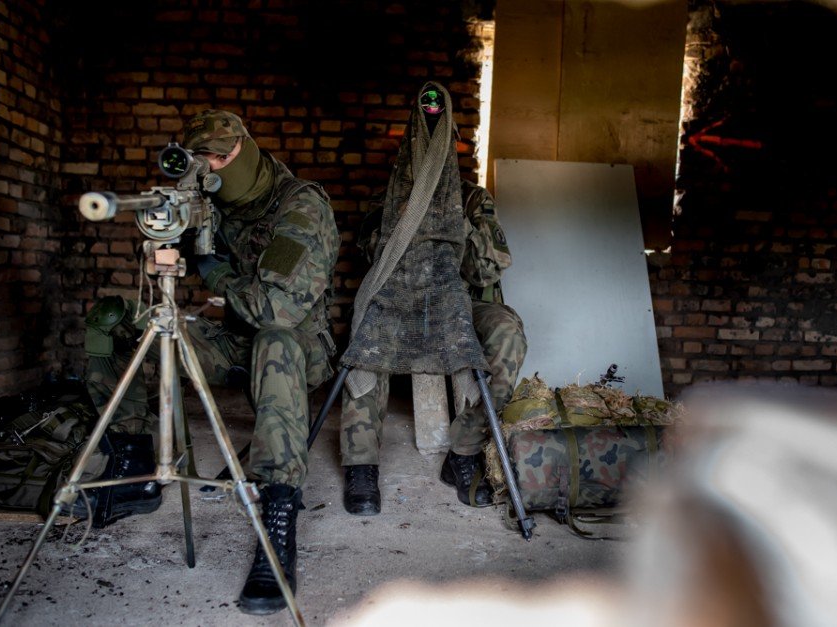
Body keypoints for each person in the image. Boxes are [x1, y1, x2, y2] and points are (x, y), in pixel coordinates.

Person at [82, 109, 340, 616]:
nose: (214, 168)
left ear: (248, 147)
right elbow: (169, 274)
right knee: (113, 321)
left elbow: (278, 310)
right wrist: (165, 245)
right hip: (233, 340)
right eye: (202, 161)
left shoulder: (300, 204)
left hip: (298, 348)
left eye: (222, 157)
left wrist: (215, 274)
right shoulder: (206, 201)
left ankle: (278, 518)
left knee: (277, 340)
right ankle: (135, 467)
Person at [339, 83, 527, 515]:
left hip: (460, 301)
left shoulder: (474, 198)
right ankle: (361, 464)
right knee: (366, 335)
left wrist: (454, 225)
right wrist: (406, 220)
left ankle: (464, 454)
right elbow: (371, 260)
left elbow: (488, 269)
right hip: (400, 301)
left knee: (507, 334)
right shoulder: (387, 203)